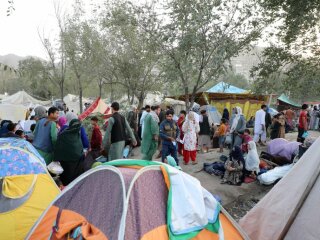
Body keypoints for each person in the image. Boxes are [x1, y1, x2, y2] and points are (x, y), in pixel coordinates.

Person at [54, 118, 85, 186]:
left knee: (68, 181)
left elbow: (58, 148)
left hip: (68, 163)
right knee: (72, 182)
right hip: (70, 163)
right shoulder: (67, 135)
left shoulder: (67, 134)